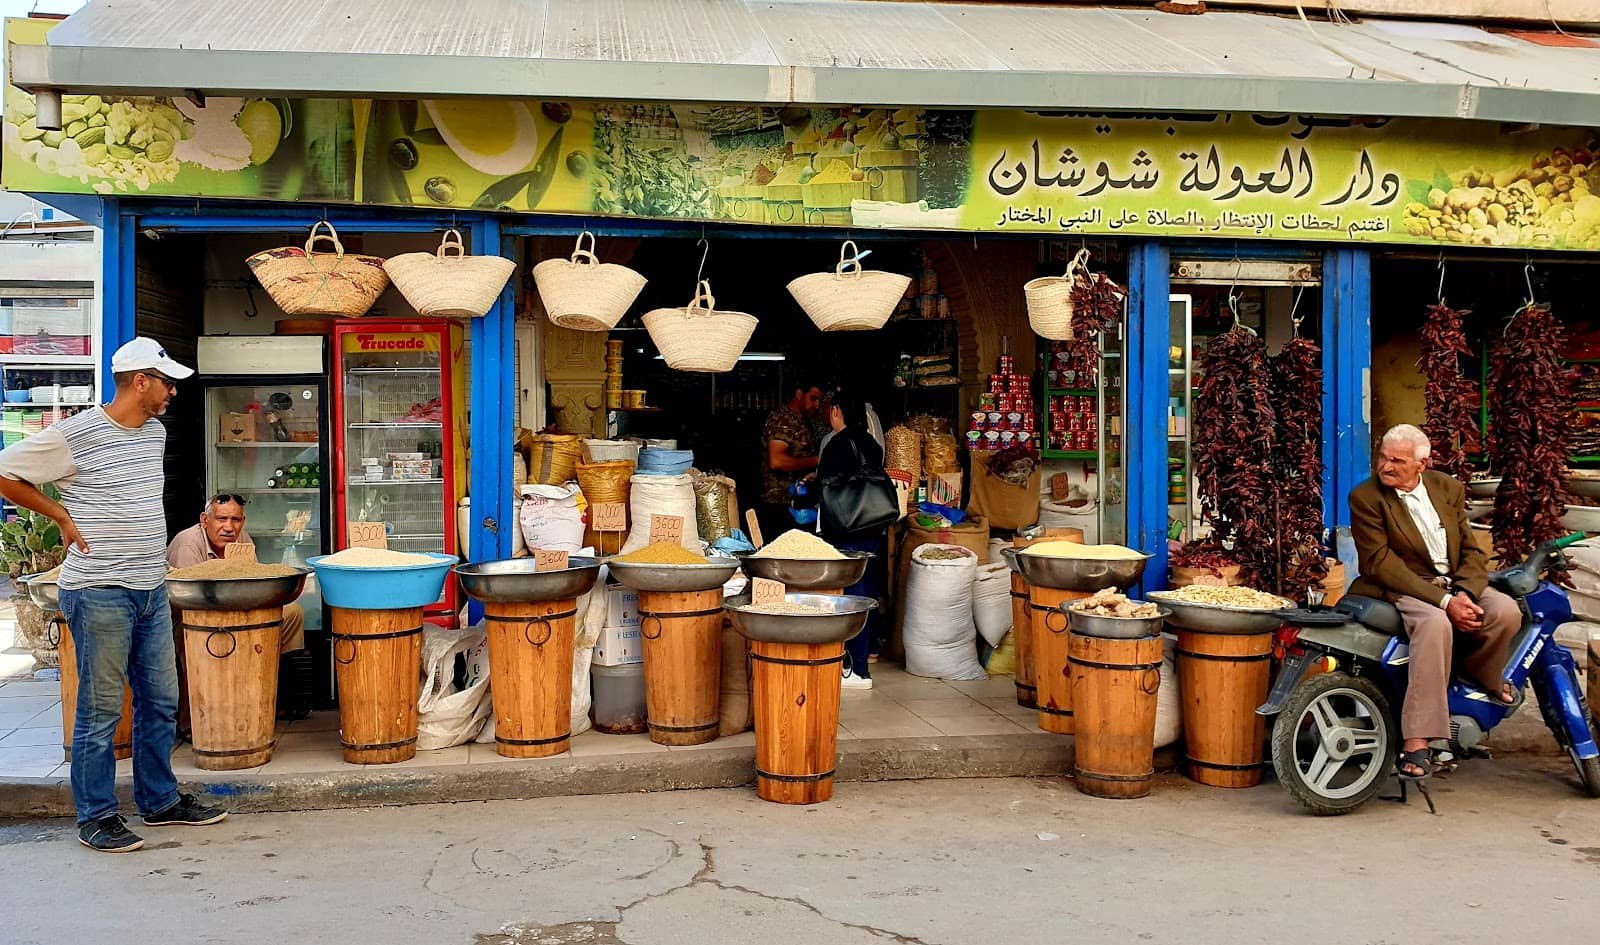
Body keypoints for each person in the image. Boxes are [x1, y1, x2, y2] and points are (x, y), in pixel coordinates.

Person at [0, 338, 227, 853]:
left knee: (161, 702)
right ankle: (97, 816)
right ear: (139, 381)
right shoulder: (75, 434)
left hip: (150, 585)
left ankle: (160, 801)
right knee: (101, 710)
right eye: (166, 382)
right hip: (99, 589)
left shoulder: (154, 432)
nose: (173, 391)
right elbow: (6, 472)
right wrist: (59, 514)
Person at [1348, 423, 1521, 782]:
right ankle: (1417, 740)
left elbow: (1472, 552)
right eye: (1383, 457)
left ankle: (1480, 680)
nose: (1386, 467)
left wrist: (1465, 594)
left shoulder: (1447, 488)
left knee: (1505, 611)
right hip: (1405, 586)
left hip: (1452, 583)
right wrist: (1445, 602)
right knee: (1434, 624)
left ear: (1422, 464)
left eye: (1397, 461)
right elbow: (1380, 564)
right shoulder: (1366, 497)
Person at [166, 493, 308, 719]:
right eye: (221, 519)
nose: (229, 527)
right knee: (196, 635)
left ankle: (277, 697)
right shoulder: (188, 544)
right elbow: (187, 602)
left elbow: (254, 582)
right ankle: (192, 719)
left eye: (235, 520)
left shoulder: (243, 540)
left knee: (292, 614)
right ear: (205, 520)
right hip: (191, 620)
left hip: (239, 612)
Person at [817, 385, 891, 690]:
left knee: (848, 599)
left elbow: (827, 488)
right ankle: (867, 654)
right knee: (867, 595)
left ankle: (855, 668)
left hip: (846, 531)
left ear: (836, 411)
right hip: (871, 528)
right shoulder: (870, 444)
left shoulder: (836, 444)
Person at [758, 380, 824, 545]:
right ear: (799, 394)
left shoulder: (805, 420)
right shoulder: (782, 418)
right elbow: (777, 461)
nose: (816, 405)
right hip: (779, 503)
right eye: (813, 398)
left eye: (819, 401)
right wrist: (817, 460)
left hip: (799, 503)